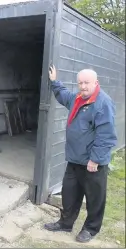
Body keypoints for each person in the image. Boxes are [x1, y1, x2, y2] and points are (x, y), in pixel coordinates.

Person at [44, 65, 117, 243]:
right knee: (69, 193)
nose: (83, 86)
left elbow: (106, 135)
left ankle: (91, 229)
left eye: (86, 83)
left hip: (93, 163)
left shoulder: (102, 103)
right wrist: (54, 82)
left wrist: (96, 159)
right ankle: (66, 223)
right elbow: (63, 95)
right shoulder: (78, 98)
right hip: (75, 159)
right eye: (80, 83)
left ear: (96, 83)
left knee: (94, 197)